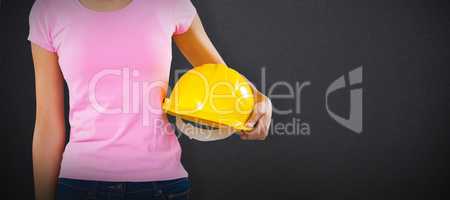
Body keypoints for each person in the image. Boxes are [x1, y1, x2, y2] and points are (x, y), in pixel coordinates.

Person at [29, 0, 272, 199]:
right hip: (78, 186)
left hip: (161, 187)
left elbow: (221, 78)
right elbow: (48, 125)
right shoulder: (49, 10)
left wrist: (261, 100)